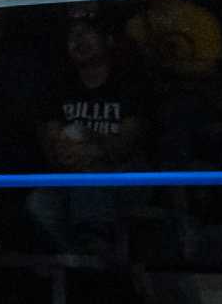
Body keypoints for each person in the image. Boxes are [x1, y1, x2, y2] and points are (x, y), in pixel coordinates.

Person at [27, 20, 149, 257]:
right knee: (38, 203)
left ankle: (99, 255)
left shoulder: (129, 84)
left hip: (123, 175)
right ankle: (82, 262)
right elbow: (54, 144)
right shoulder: (59, 86)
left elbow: (126, 144)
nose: (78, 40)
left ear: (108, 40)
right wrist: (68, 154)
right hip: (71, 176)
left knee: (90, 180)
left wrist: (91, 143)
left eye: (87, 33)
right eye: (72, 36)